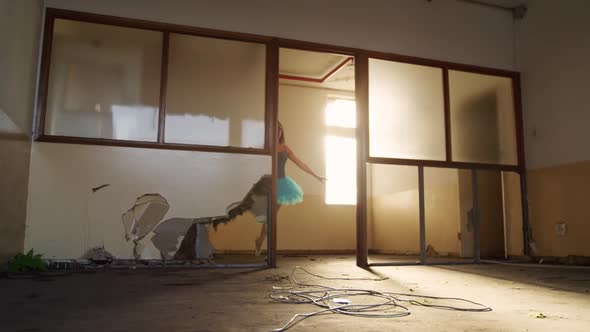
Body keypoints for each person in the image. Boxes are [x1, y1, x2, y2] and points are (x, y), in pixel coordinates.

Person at [255, 122, 326, 255]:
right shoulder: (265, 147)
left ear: (282, 132)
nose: (277, 132)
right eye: (275, 129)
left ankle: (261, 241)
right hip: (268, 184)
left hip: (282, 185)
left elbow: (301, 163)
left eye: (280, 129)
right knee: (269, 216)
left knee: (271, 217)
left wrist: (316, 175)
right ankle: (262, 242)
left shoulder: (285, 148)